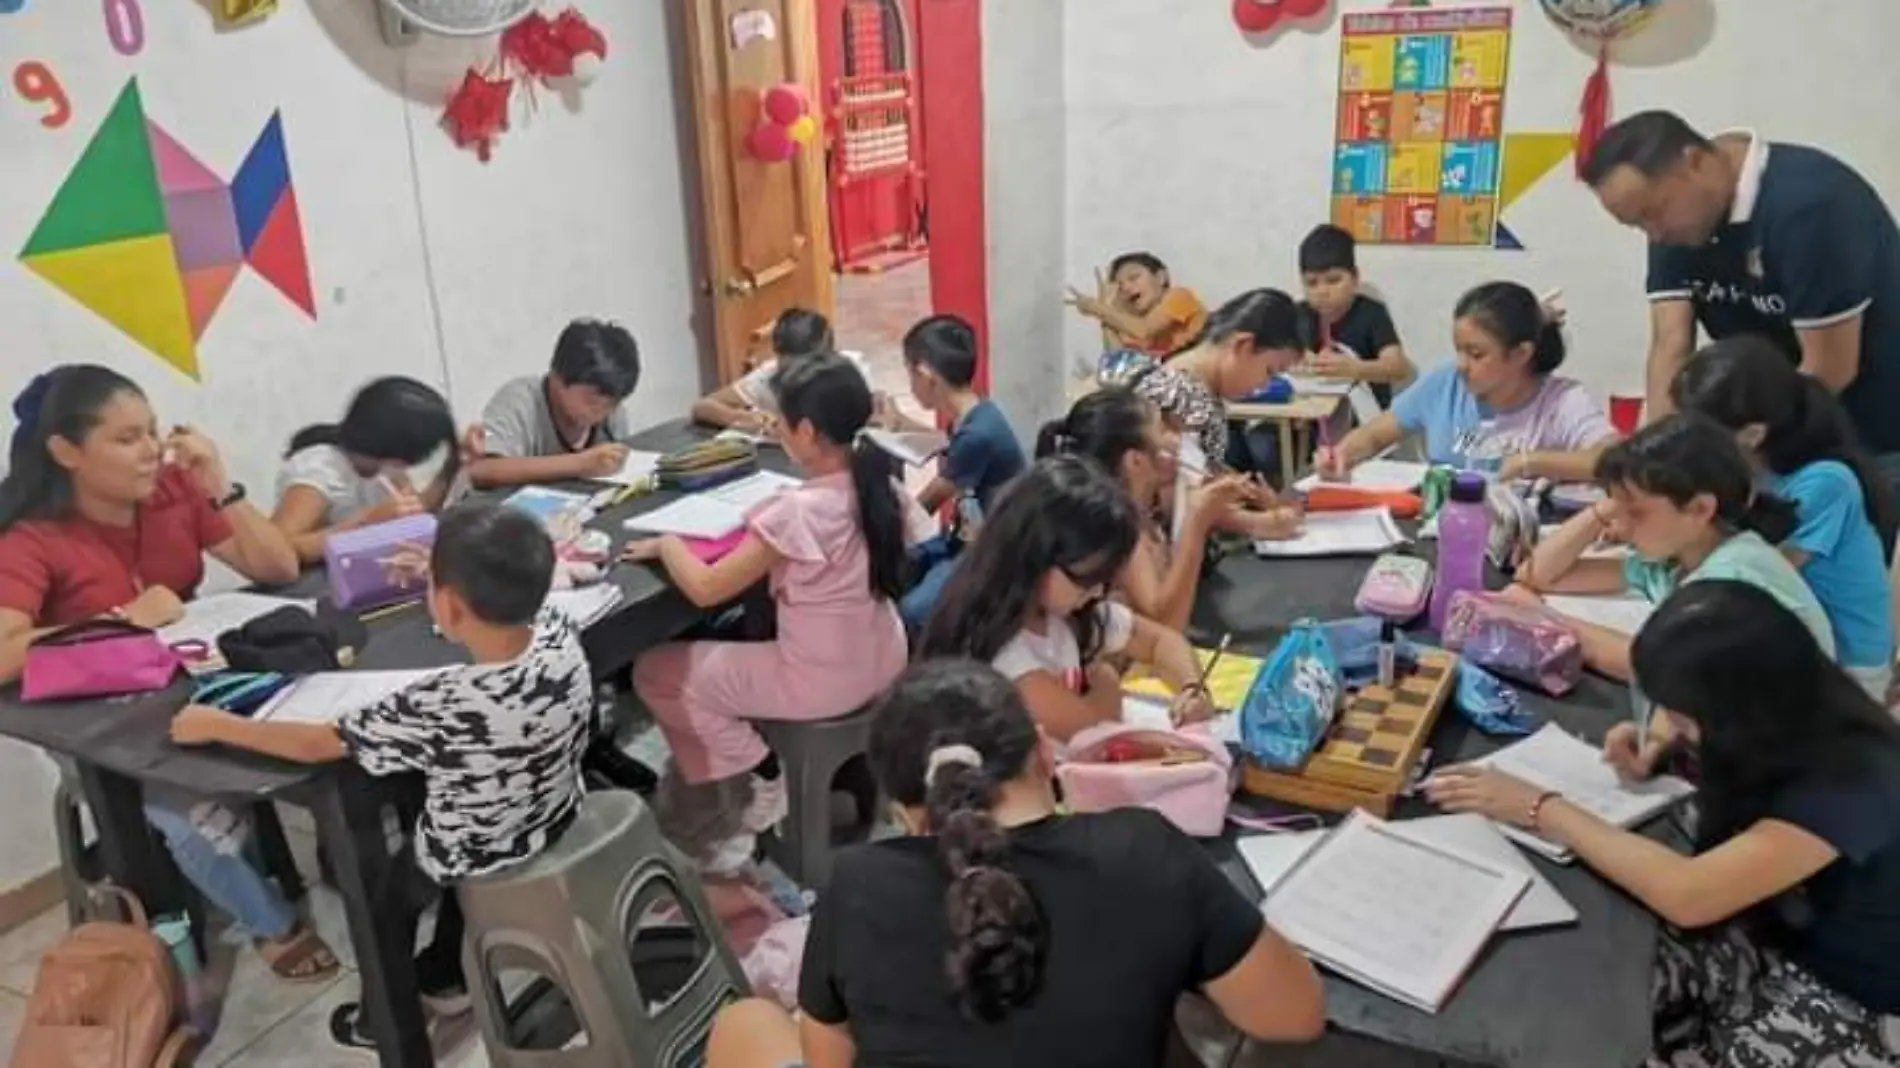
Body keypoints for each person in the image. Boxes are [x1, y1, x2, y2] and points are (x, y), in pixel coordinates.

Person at [704, 659, 1325, 1068]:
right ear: (1045, 752)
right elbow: (1295, 1015)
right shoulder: (1142, 850)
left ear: (901, 809)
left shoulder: (860, 882)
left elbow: (827, 1058)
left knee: (746, 1024)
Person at [170, 502, 592, 1047]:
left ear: (450, 605)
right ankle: (446, 971)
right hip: (554, 807)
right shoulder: (558, 630)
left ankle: (386, 1022)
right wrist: (440, 577)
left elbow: (318, 742)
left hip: (480, 847)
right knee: (431, 797)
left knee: (385, 902)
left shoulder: (446, 700)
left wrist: (218, 725)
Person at [1428, 580, 1900, 1067]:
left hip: (1850, 997)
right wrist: (1661, 748)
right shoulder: (1795, 704)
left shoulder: (1852, 781)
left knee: (1605, 1023)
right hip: (1777, 930)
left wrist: (1541, 807)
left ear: (1739, 709)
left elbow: (1689, 895)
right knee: (1607, 979)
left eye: (1683, 716)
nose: (1674, 724)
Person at [0, 366, 335, 983]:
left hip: (188, 679)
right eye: (127, 438)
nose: (152, 449)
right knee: (190, 814)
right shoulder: (33, 537)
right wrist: (122, 618)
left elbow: (277, 564)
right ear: (66, 451)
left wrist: (218, 484)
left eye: (153, 430)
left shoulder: (173, 490)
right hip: (92, 720)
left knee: (310, 721)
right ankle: (272, 923)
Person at [625, 355, 913, 872]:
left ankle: (756, 774)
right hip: (886, 655)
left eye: (778, 422)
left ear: (805, 430)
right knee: (739, 640)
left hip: (823, 679)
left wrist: (669, 545)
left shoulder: (799, 510)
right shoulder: (880, 484)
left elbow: (707, 589)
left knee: (655, 670)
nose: (774, 430)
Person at [1582, 110, 1900, 494]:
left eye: (1653, 212)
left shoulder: (1809, 206)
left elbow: (1830, 367)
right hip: (1764, 438)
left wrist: (1728, 459)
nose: (1654, 234)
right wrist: (1656, 461)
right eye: (1636, 225)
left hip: (1873, 432)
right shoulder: (1678, 225)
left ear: (1694, 162)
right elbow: (1671, 342)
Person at [1513, 414, 1833, 685]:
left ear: (1700, 509)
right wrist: (1602, 511)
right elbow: (1540, 575)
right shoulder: (1675, 558)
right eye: (1615, 509)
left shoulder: (1734, 578)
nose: (1620, 528)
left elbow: (1652, 666)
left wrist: (1541, 617)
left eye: (1636, 513)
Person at [919, 456, 1215, 743]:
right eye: (1087, 579)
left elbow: (1162, 641)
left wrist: (1192, 688)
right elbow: (1098, 733)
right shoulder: (1004, 656)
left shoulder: (1062, 611)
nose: (1098, 592)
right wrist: (1106, 675)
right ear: (1037, 556)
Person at [1672, 336, 1894, 700]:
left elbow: (1761, 572)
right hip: (1787, 639)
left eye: (1701, 433)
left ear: (1753, 433)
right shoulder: (1750, 467)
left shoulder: (1825, 482)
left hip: (1847, 668)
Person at [1318, 281, 1618, 482]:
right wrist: (1341, 455)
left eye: (1476, 354)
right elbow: (1374, 435)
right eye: (1458, 349)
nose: (1461, 365)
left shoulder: (1561, 401)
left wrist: (1531, 462)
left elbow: (1616, 459)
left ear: (1520, 354)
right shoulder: (1445, 382)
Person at [1036, 388, 1247, 632]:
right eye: (1163, 430)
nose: (1176, 440)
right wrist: (1196, 524)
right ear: (1135, 461)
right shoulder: (1116, 527)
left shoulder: (1148, 507)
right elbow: (1168, 625)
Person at [873, 315, 1028, 632]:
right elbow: (948, 445)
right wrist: (900, 423)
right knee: (896, 570)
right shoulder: (975, 413)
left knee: (911, 612)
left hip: (988, 550)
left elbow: (929, 500)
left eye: (909, 372)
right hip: (966, 535)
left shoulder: (977, 435)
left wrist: (885, 528)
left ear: (925, 375)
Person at [272, 376, 467, 563]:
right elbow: (278, 552)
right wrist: (365, 524)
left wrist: (455, 465)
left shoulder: (386, 469)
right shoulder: (318, 471)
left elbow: (416, 516)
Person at [466, 318, 642, 488]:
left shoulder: (612, 411)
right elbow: (482, 470)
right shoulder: (519, 401)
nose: (602, 413)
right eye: (591, 401)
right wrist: (580, 463)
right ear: (557, 379)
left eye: (613, 404)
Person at [1295, 224, 1415, 407]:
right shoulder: (1299, 313)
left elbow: (1398, 367)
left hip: (1363, 418)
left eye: (1333, 280)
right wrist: (1298, 360)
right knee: (1262, 434)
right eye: (1311, 283)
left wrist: (1355, 368)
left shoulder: (1371, 313)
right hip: (1308, 415)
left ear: (1355, 277)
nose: (1322, 291)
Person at [691, 309, 868, 432]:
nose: (797, 377)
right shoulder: (769, 376)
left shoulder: (849, 373)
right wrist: (740, 417)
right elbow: (702, 407)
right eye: (788, 369)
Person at [1066, 251, 1209, 357]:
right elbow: (1117, 361)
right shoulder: (1132, 321)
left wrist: (1099, 310)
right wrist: (1106, 315)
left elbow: (1144, 330)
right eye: (1120, 286)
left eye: (1134, 278)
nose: (1126, 288)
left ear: (1161, 277)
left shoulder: (1180, 296)